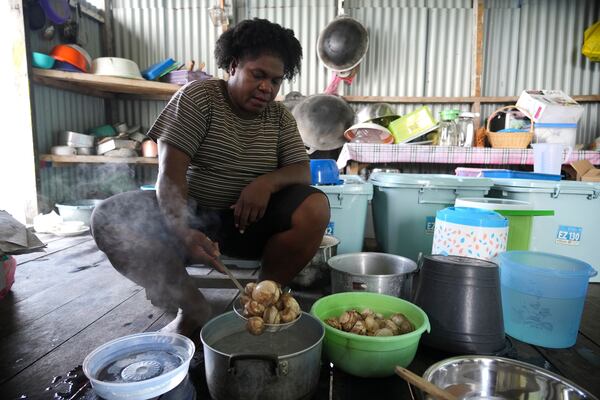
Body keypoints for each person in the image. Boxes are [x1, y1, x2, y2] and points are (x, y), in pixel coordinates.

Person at [91, 18, 330, 340]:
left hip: (251, 227)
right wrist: (182, 228)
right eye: (257, 75)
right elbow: (170, 173)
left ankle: (264, 298)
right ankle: (192, 309)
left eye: (275, 81)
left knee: (314, 207)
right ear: (233, 66)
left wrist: (264, 184)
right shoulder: (199, 98)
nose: (266, 88)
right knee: (108, 217)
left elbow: (301, 171)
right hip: (195, 222)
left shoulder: (279, 117)